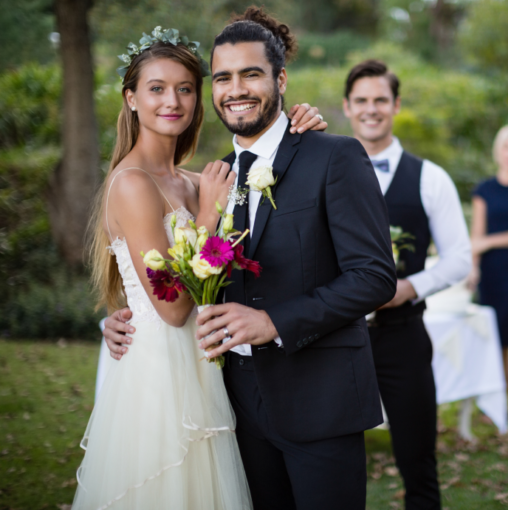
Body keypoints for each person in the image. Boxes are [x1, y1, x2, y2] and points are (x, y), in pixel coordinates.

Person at [102, 8, 396, 510]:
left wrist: (272, 322)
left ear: (280, 79)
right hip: (230, 407)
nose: (235, 89)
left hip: (318, 402)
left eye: (251, 74)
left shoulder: (334, 156)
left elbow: (374, 277)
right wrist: (119, 316)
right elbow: (172, 267)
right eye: (222, 78)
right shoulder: (216, 177)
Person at [75, 23, 327, 510]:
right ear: (130, 99)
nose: (173, 100)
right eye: (157, 89)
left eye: (185, 88)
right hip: (161, 374)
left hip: (212, 366)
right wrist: (209, 216)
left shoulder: (198, 179)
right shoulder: (131, 183)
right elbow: (170, 308)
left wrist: (303, 123)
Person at [342, 59, 471, 510]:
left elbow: (459, 258)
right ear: (347, 107)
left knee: (418, 460)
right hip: (336, 338)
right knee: (331, 462)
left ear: (396, 105)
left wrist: (409, 287)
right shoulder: (323, 172)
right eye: (362, 100)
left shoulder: (431, 178)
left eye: (380, 100)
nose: (371, 109)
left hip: (403, 337)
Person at [468, 124, 508, 426]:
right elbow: (476, 236)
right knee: (491, 339)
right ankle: (502, 403)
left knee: (505, 338)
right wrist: (473, 266)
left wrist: (489, 242)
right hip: (490, 274)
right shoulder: (484, 190)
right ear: (499, 151)